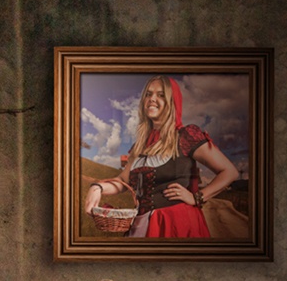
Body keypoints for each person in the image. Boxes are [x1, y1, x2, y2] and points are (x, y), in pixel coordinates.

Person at [83, 75, 239, 238]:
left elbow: (229, 172)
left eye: (161, 95)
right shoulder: (139, 146)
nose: (152, 99)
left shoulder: (186, 137)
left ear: (172, 101)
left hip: (175, 224)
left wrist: (196, 198)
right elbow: (123, 181)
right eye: (148, 94)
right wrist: (97, 187)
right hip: (141, 224)